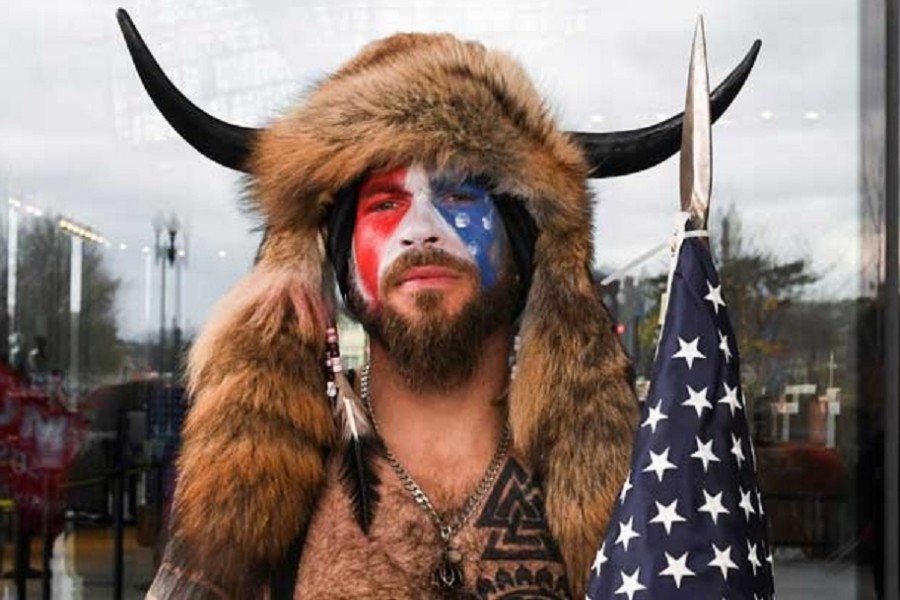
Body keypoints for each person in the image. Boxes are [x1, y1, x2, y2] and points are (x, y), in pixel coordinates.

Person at [116, 10, 756, 599]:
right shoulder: (270, 499)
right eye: (385, 205)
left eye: (456, 198)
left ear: (522, 246)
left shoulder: (638, 493)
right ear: (338, 261)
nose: (421, 230)